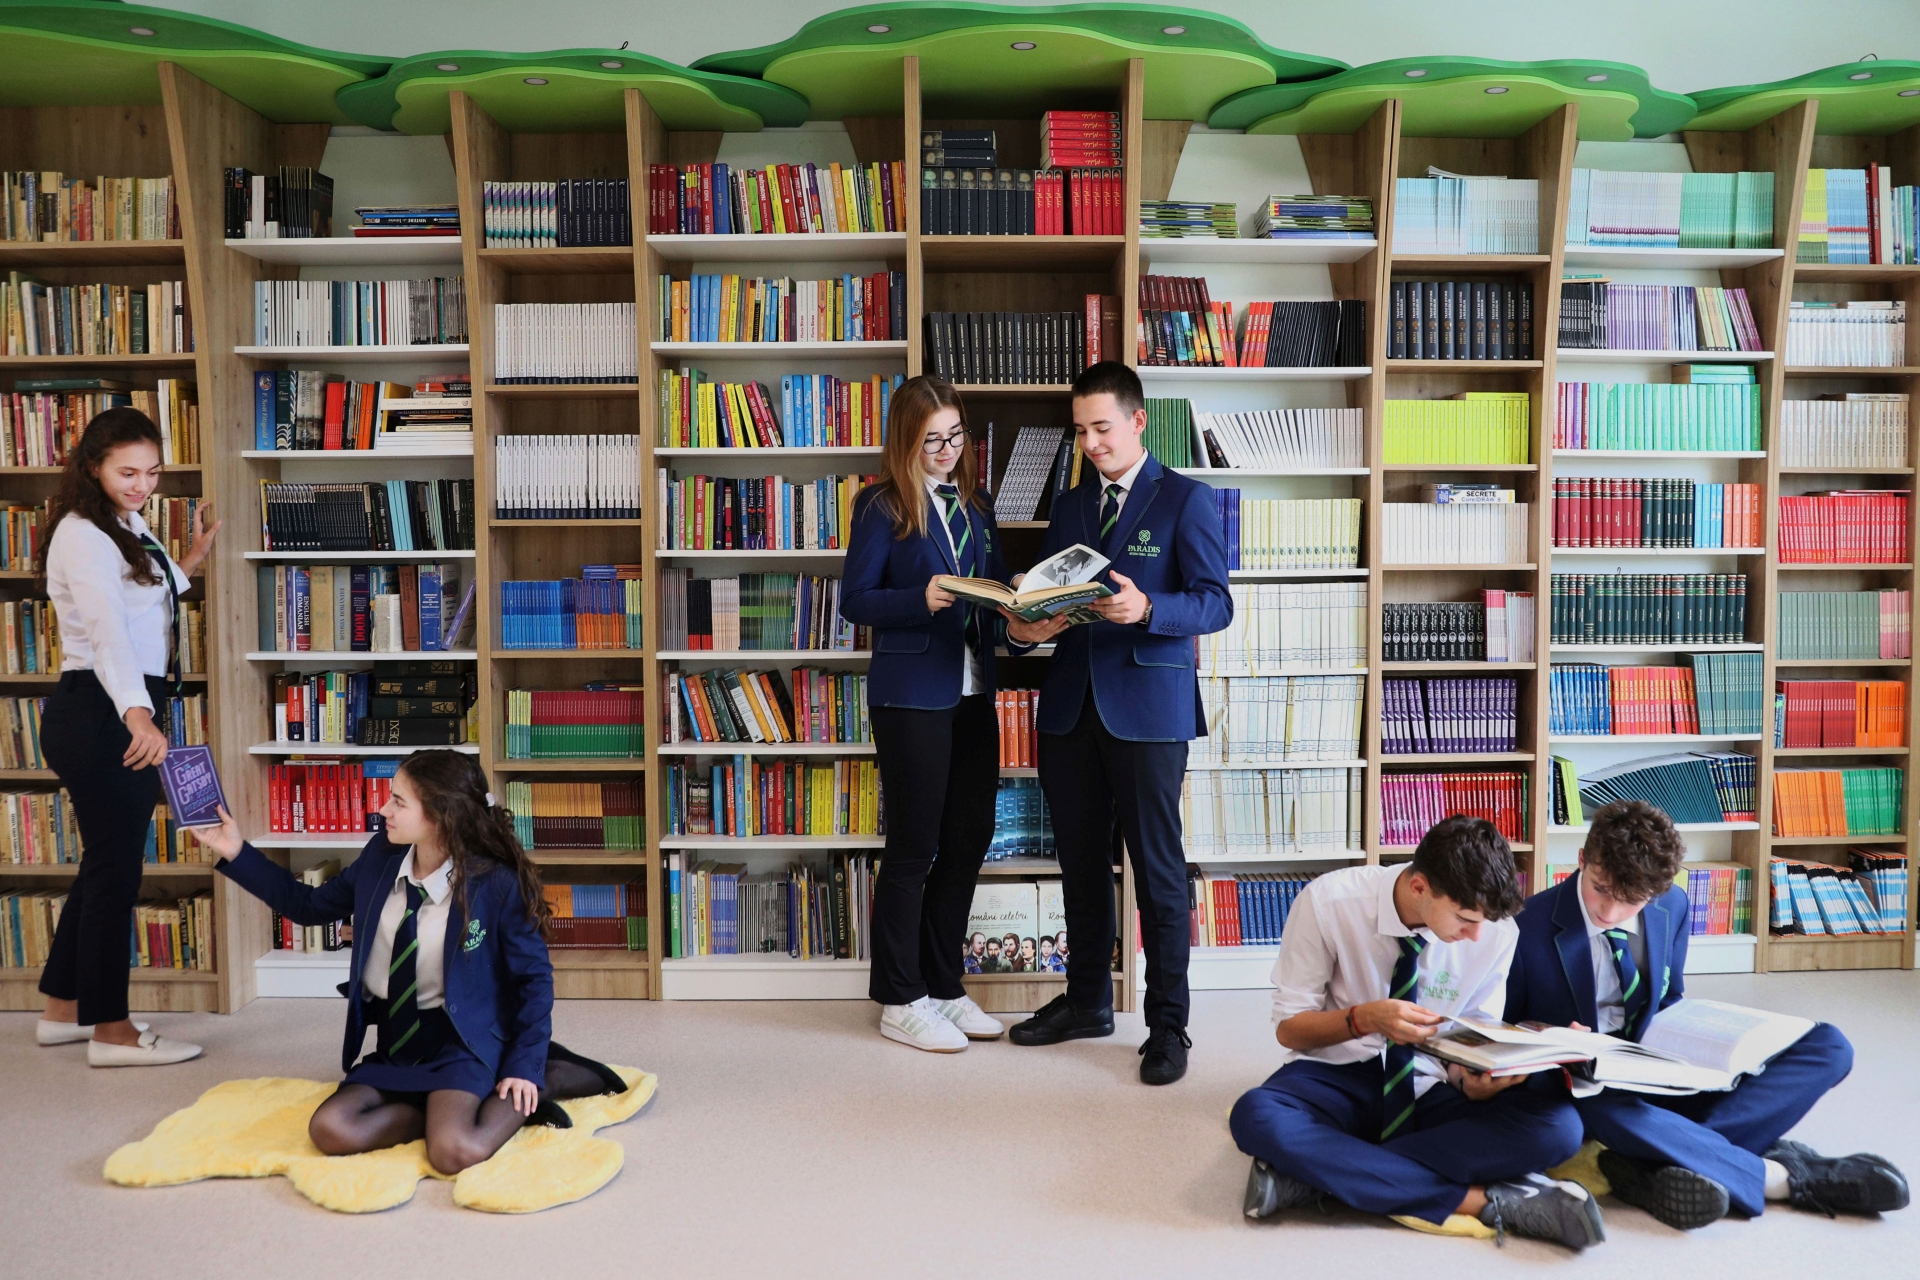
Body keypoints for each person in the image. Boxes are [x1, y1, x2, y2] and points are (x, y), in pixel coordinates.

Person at [196, 750, 626, 1174]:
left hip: (462, 1042)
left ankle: (541, 1081)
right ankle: (446, 1108)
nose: (383, 809)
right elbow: (307, 906)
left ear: (440, 816)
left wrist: (524, 1066)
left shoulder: (494, 882)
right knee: (331, 1130)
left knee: (454, 1150)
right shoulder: (380, 857)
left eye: (398, 802)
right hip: (398, 1043)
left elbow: (534, 979)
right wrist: (236, 850)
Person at [1503, 800, 1909, 1226]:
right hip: (1594, 1087)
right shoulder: (1526, 928)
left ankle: (1654, 1163)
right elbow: (1501, 1032)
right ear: (1582, 860)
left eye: (1631, 901)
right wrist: (1552, 1038)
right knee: (1597, 1109)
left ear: (1656, 891)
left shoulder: (1672, 905)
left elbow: (1668, 999)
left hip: (1658, 1068)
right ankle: (1783, 1178)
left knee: (1829, 1047)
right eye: (1600, 888)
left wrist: (1716, 1042)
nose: (1610, 912)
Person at [1004, 361, 1232, 1085]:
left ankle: (1168, 1026)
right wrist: (1025, 629)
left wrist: (1149, 609)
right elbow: (1048, 600)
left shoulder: (1187, 499)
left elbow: (1217, 603)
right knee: (1079, 867)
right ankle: (1086, 1003)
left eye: (1101, 427)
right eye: (1080, 431)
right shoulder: (1072, 506)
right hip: (1070, 708)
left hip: (1149, 712)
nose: (1091, 443)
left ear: (1138, 421)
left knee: (1159, 874)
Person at [1232, 816, 1606, 1251]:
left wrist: (1472, 1081)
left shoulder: (1496, 931)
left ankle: (1316, 1175)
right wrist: (1363, 1019)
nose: (1476, 935)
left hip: (1429, 1082)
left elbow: (1472, 1036)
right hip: (1336, 1073)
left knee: (1559, 1129)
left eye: (1484, 922)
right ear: (1419, 887)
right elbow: (1290, 1030)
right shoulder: (1329, 902)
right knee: (1255, 1114)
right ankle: (1480, 1200)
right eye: (1464, 918)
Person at [34, 408, 219, 1066]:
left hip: (112, 706)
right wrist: (137, 715)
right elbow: (108, 631)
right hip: (101, 711)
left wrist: (191, 558)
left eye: (152, 472)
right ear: (93, 468)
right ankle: (111, 1031)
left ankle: (63, 1010)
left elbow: (145, 602)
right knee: (117, 874)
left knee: (103, 864)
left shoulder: (123, 524)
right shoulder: (83, 534)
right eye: (127, 472)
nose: (142, 485)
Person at [841, 375, 1010, 1052]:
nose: (946, 451)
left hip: (974, 689)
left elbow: (995, 587)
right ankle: (900, 997)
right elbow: (856, 600)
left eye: (955, 436)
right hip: (912, 693)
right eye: (931, 440)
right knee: (914, 846)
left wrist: (1021, 604)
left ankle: (943, 985)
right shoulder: (880, 504)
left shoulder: (978, 504)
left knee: (969, 838)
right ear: (906, 441)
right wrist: (921, 596)